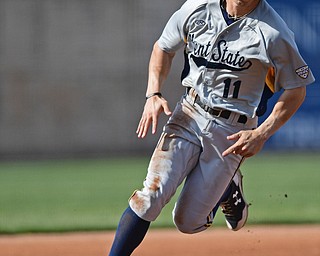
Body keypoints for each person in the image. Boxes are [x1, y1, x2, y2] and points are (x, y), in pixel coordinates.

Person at [108, 0, 315, 255]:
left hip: (232, 130)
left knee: (187, 222)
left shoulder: (273, 31)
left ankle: (228, 188)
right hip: (189, 113)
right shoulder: (197, 7)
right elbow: (162, 47)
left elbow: (297, 89)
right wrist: (153, 93)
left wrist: (262, 133)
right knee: (149, 197)